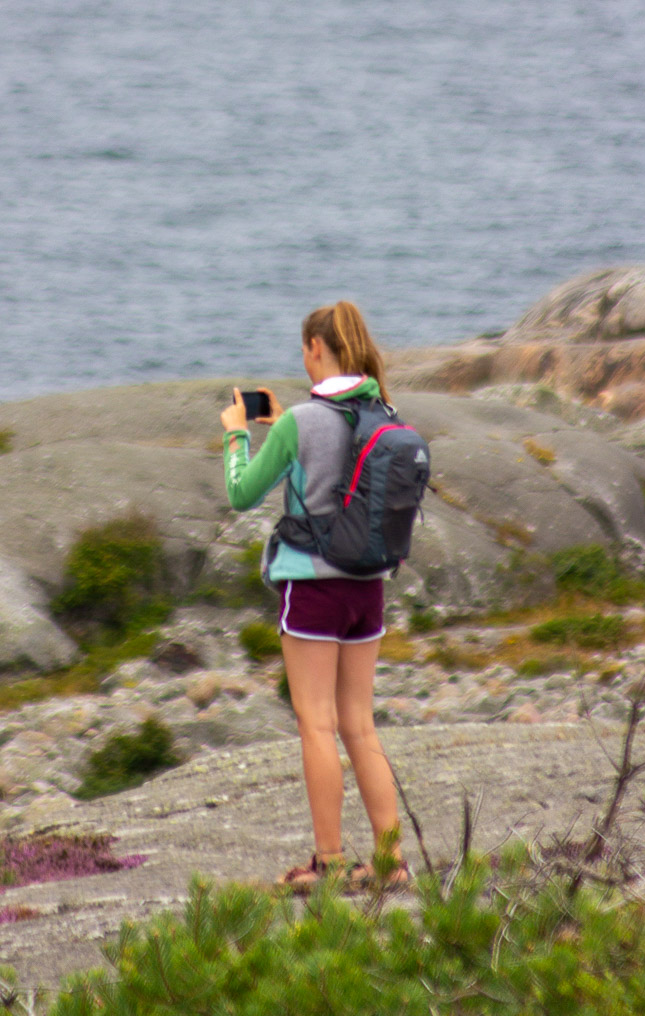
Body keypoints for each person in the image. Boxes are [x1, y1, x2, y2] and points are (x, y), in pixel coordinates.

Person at [219, 300, 410, 893]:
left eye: (304, 349)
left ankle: (328, 863)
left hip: (312, 585)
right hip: (368, 587)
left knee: (317, 726)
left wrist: (236, 436)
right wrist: (286, 424)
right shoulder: (382, 412)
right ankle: (391, 861)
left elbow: (242, 494)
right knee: (360, 726)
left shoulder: (301, 422)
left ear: (315, 348)